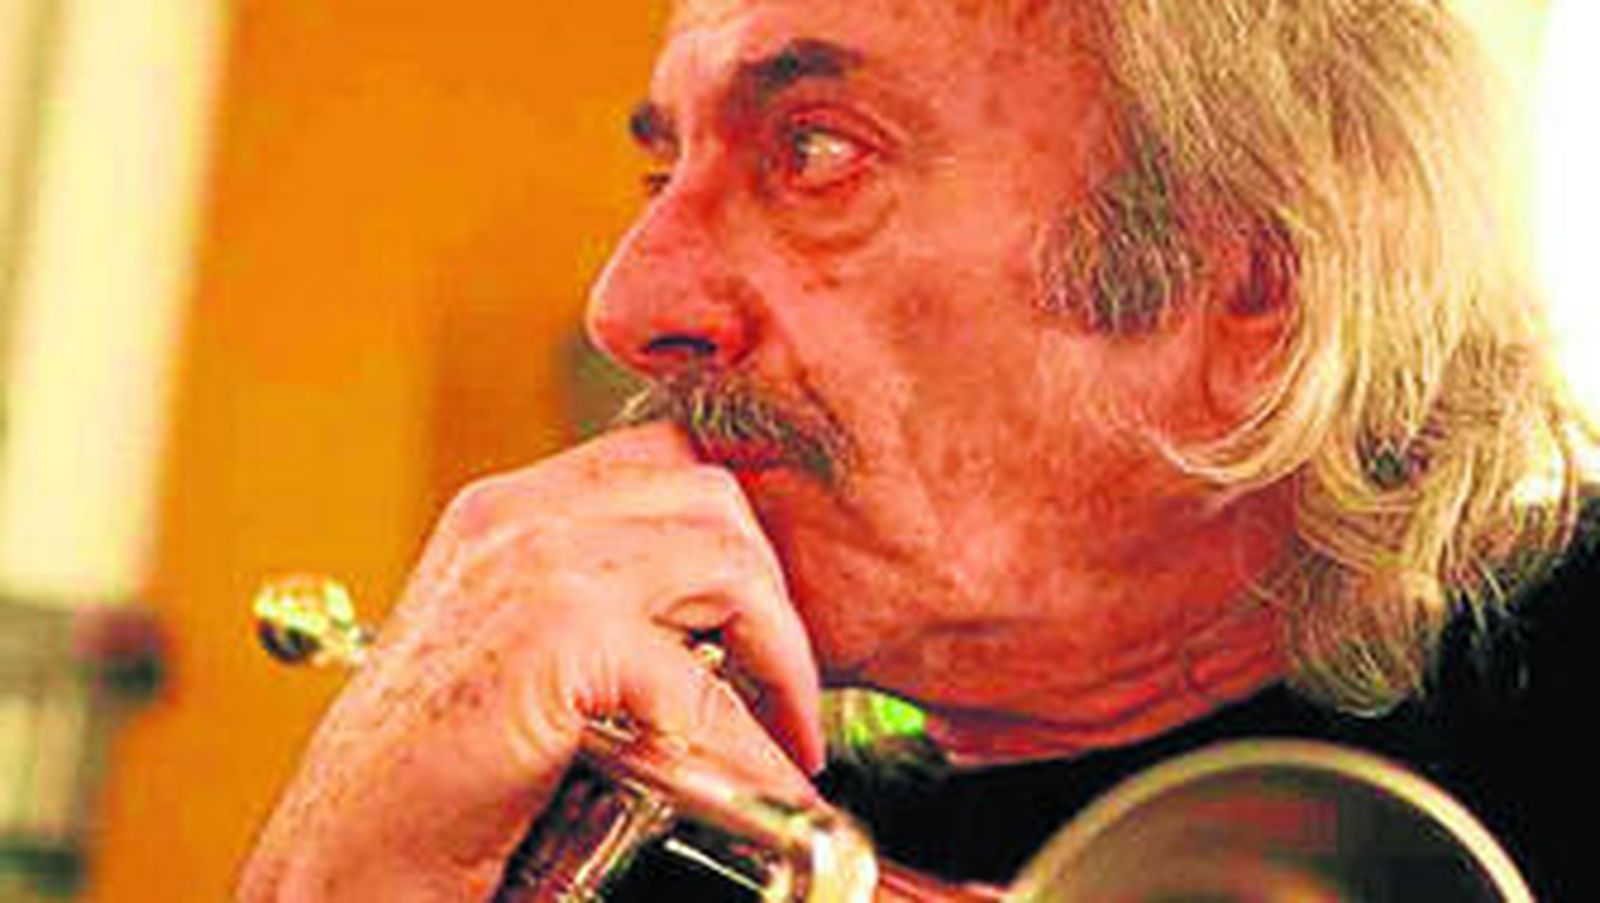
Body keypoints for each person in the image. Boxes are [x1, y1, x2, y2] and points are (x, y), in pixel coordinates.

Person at [239, 0, 1594, 899]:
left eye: (815, 152)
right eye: (662, 174)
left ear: (1257, 281)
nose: (630, 302)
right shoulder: (651, 839)